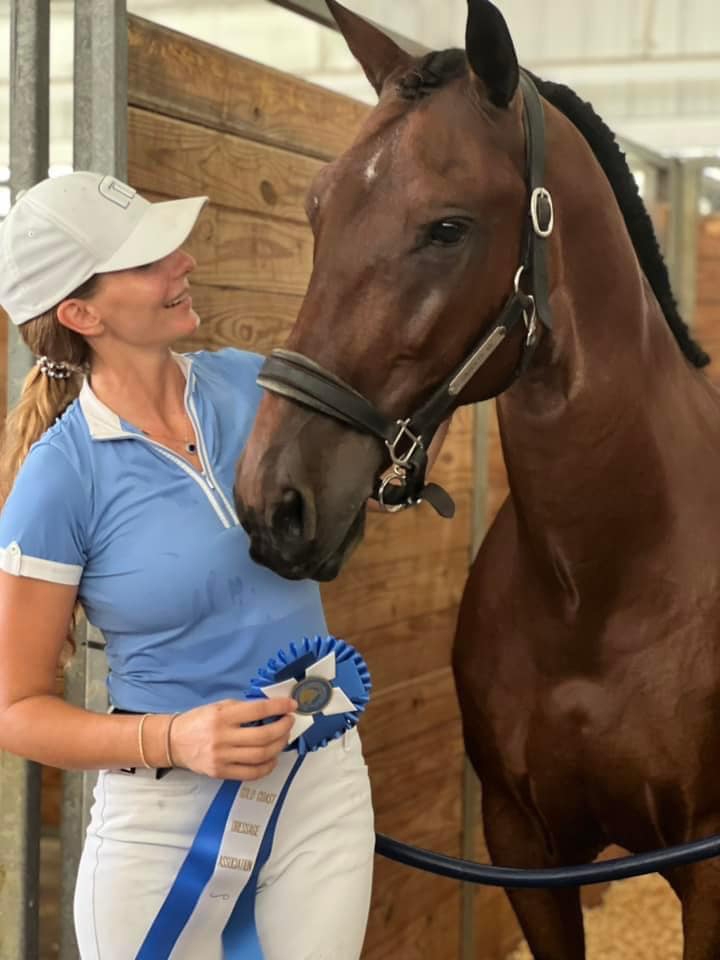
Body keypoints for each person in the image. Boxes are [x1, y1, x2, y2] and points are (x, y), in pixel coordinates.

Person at [0, 171, 377, 960]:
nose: (184, 262)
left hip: (323, 784)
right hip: (166, 820)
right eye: (147, 261)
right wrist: (174, 739)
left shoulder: (256, 388)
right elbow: (16, 709)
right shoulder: (60, 477)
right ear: (81, 314)